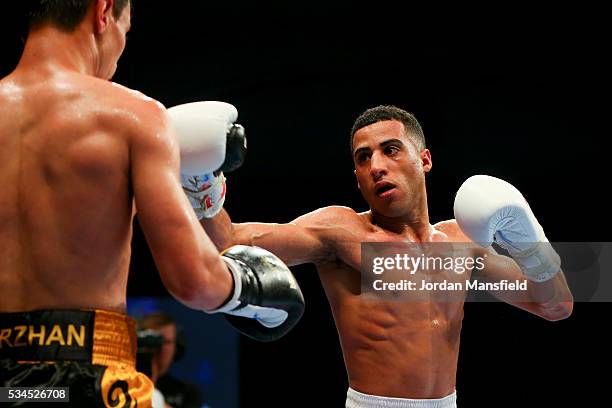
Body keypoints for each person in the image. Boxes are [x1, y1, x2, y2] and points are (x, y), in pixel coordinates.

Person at [0, 1, 303, 406]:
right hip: (88, 372)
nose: (121, 49)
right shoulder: (131, 116)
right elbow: (194, 280)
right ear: (104, 11)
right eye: (125, 30)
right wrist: (251, 287)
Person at [190, 105, 574, 407]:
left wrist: (532, 247)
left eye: (390, 150)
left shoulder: (462, 243)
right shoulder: (341, 234)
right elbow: (229, 241)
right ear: (357, 177)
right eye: (362, 158)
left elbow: (555, 306)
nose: (375, 166)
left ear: (423, 159)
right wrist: (202, 188)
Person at [139, 313, 204, 408]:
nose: (161, 348)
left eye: (167, 342)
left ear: (176, 347)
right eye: (153, 341)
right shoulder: (121, 384)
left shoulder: (187, 393)